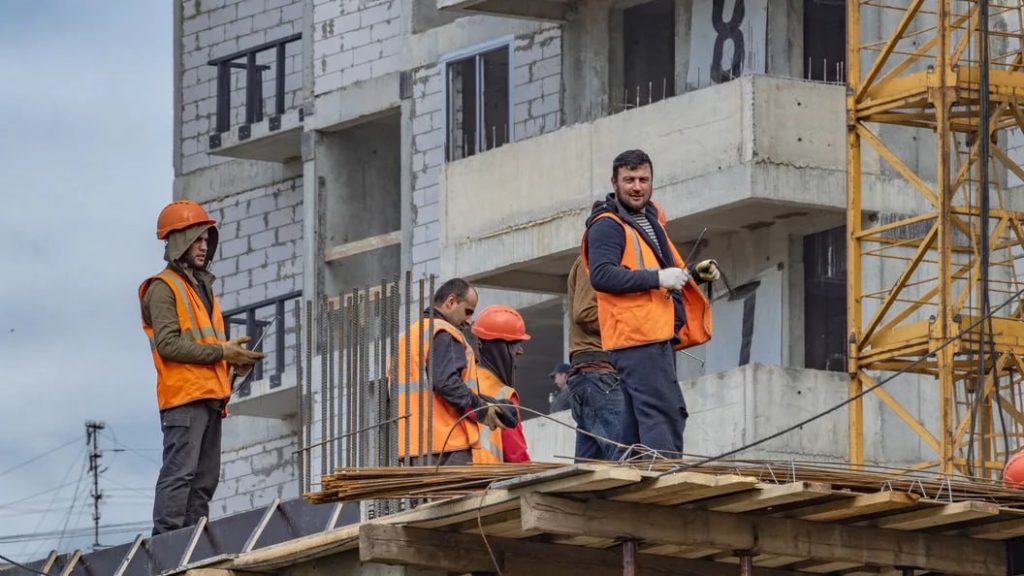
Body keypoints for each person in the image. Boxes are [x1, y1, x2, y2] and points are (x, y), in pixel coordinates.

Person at [583, 149, 719, 457]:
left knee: (637, 422)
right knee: (664, 412)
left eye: (643, 180)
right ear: (614, 183)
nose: (637, 187)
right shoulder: (608, 224)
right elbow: (602, 276)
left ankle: (637, 472)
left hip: (650, 334)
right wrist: (659, 278)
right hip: (638, 337)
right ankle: (665, 474)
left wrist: (693, 274)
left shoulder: (647, 221)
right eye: (629, 180)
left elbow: (658, 277)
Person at [140, 200, 265, 535]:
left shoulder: (201, 289)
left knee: (204, 480)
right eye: (196, 239)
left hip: (209, 398)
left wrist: (232, 364)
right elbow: (168, 345)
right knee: (179, 475)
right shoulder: (163, 288)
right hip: (184, 399)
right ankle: (167, 546)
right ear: (178, 240)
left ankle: (192, 544)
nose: (203, 246)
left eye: (206, 239)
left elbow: (206, 346)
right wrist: (222, 351)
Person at [395, 278, 506, 465]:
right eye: (468, 311)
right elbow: (447, 383)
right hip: (447, 445)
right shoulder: (443, 332)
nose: (469, 321)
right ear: (451, 302)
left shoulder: (408, 337)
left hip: (413, 448)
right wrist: (481, 409)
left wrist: (486, 401)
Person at [566, 255, 624, 461]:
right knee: (627, 456)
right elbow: (585, 312)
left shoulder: (596, 259)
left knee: (590, 469)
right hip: (598, 376)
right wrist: (630, 323)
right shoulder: (593, 258)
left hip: (594, 377)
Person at [472, 305, 531, 463]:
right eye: (516, 344)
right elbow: (516, 456)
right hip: (488, 475)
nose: (520, 351)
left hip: (452, 473)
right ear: (500, 348)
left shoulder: (463, 382)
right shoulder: (503, 394)